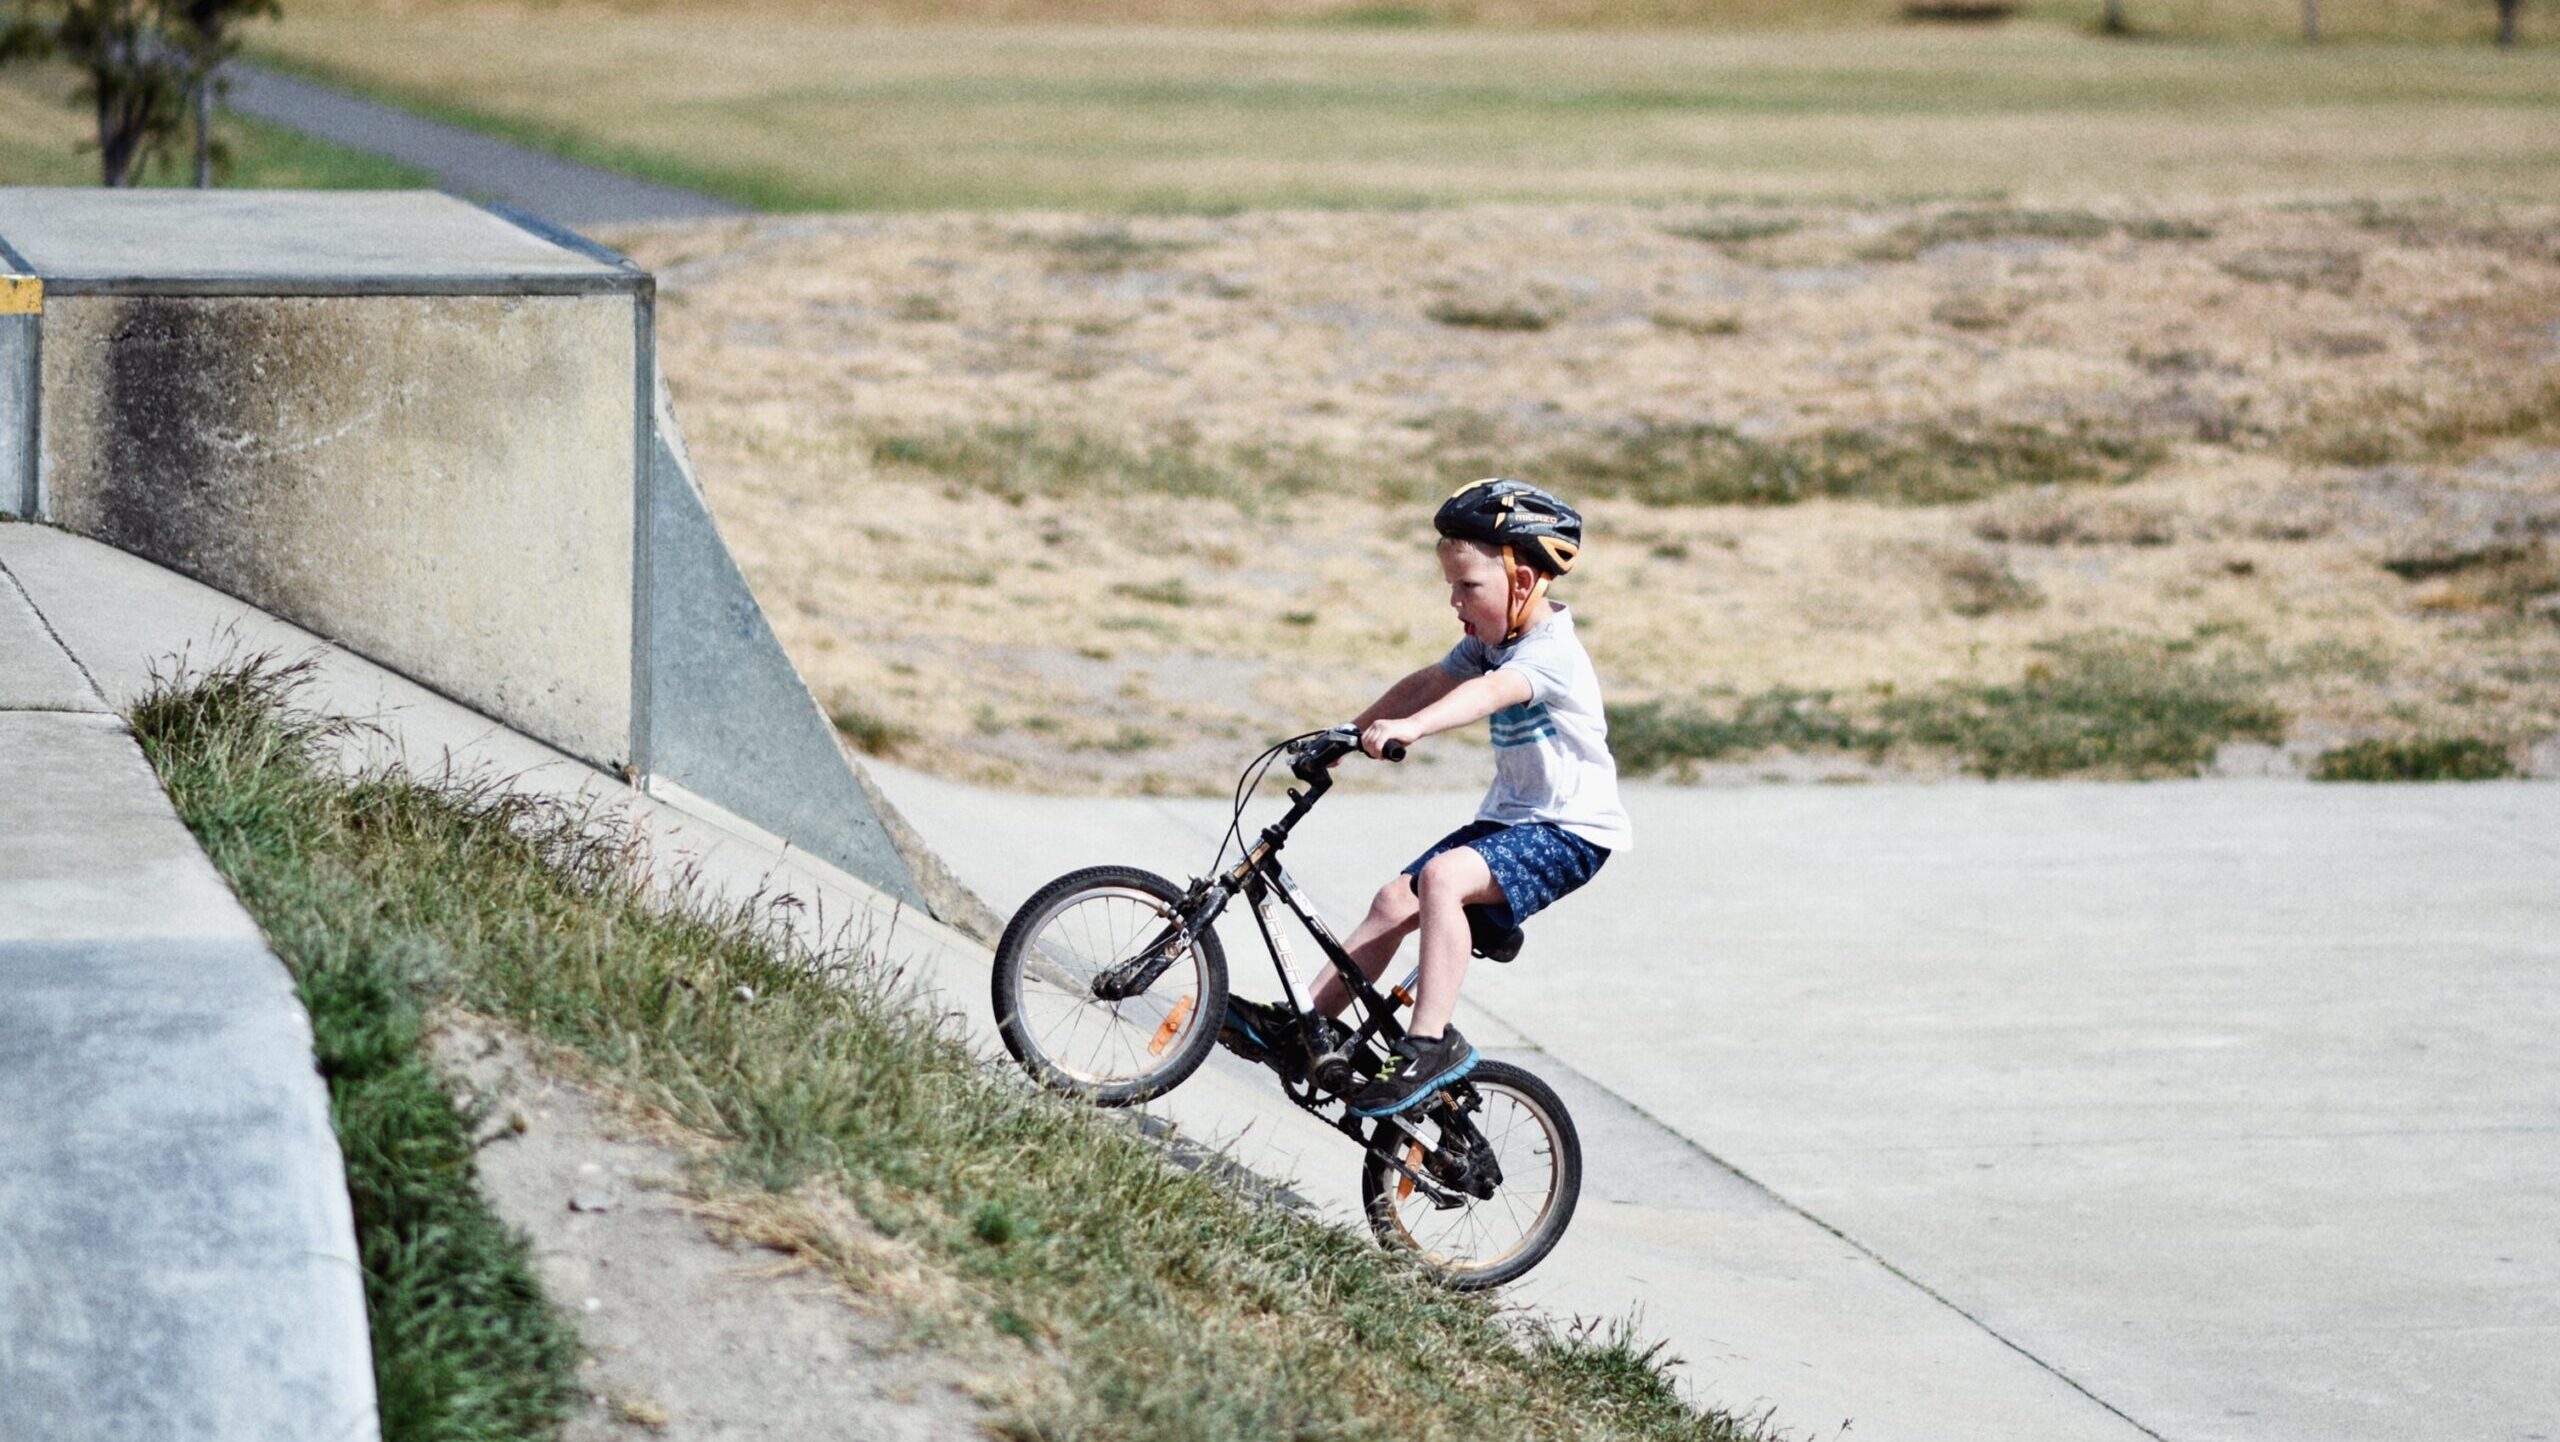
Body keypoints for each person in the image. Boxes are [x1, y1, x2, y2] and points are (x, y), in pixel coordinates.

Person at [1220, 478, 1631, 1117]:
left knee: (1442, 879)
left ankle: (1429, 1045)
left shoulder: (1551, 653)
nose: (1454, 601)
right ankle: (1307, 1029)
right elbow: (1434, 679)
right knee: (1393, 900)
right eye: (1450, 587)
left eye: (1469, 587)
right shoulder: (1492, 643)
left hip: (1571, 831)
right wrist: (1350, 734)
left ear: (1522, 582)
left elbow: (1482, 695)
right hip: (1510, 820)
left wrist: (1412, 729)